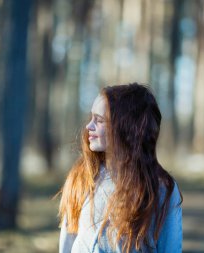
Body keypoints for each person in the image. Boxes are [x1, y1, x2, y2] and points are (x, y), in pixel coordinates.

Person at [58, 83, 182, 253]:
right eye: (91, 118)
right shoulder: (83, 176)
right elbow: (68, 239)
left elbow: (171, 249)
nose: (89, 127)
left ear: (126, 128)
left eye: (99, 120)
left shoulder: (161, 188)